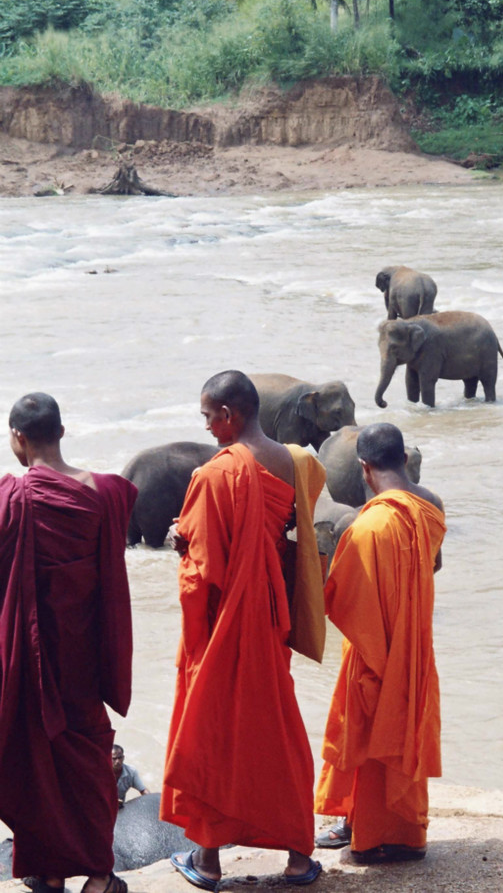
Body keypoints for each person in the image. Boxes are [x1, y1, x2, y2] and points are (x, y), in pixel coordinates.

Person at [160, 370, 327, 889]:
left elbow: (202, 573)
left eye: (209, 418)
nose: (208, 428)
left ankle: (208, 864)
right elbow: (280, 532)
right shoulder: (291, 460)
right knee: (275, 728)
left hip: (223, 624)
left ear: (229, 415)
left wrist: (181, 543)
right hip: (270, 614)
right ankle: (299, 857)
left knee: (213, 732)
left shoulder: (215, 475)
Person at [0, 392, 137, 893]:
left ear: (18, 437)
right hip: (83, 655)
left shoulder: (11, 498)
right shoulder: (104, 493)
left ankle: (52, 872)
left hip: (29, 657)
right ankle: (99, 876)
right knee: (88, 756)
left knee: (33, 755)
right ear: (61, 431)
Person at [314, 422, 445, 864]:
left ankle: (365, 833)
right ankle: (407, 834)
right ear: (405, 459)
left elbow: (343, 602)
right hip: (415, 648)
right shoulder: (430, 513)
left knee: (365, 730)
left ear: (364, 469)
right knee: (406, 726)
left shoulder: (368, 527)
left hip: (375, 649)